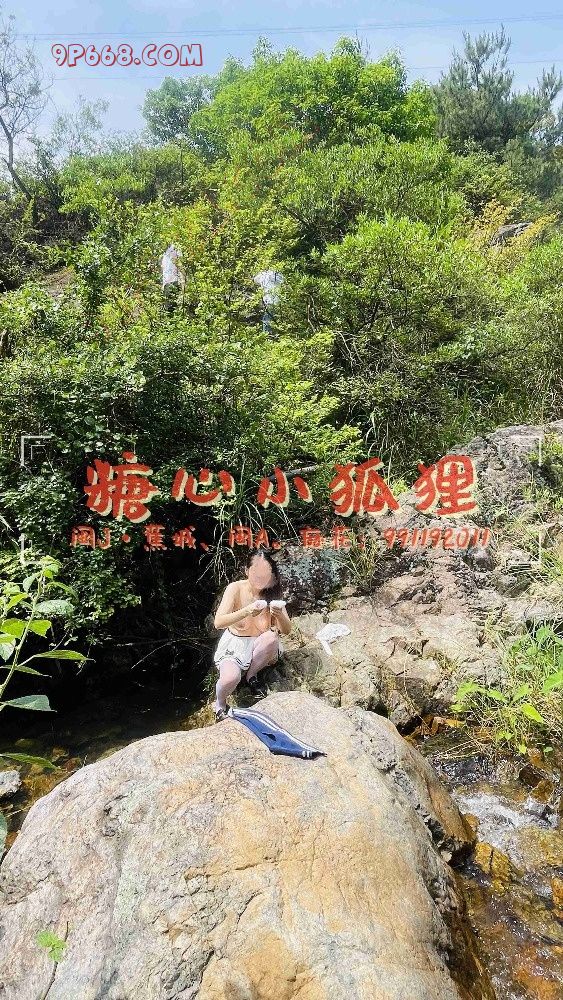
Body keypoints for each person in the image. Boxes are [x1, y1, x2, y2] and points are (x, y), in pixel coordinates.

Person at [211, 549, 291, 722]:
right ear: (247, 571)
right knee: (230, 678)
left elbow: (286, 630)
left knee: (272, 638)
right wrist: (246, 611)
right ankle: (219, 704)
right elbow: (218, 622)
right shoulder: (235, 589)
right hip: (235, 645)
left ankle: (252, 675)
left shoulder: (272, 592)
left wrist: (279, 615)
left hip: (261, 645)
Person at [252, 269, 284, 335]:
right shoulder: (278, 274)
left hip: (268, 301)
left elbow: (255, 280)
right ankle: (273, 335)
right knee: (274, 320)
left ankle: (267, 336)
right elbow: (283, 282)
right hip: (277, 302)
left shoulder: (263, 275)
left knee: (267, 320)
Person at [160, 244, 182, 312]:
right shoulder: (165, 253)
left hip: (175, 281)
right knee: (168, 310)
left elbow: (181, 265)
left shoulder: (176, 248)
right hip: (167, 284)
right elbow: (164, 270)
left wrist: (182, 281)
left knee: (173, 309)